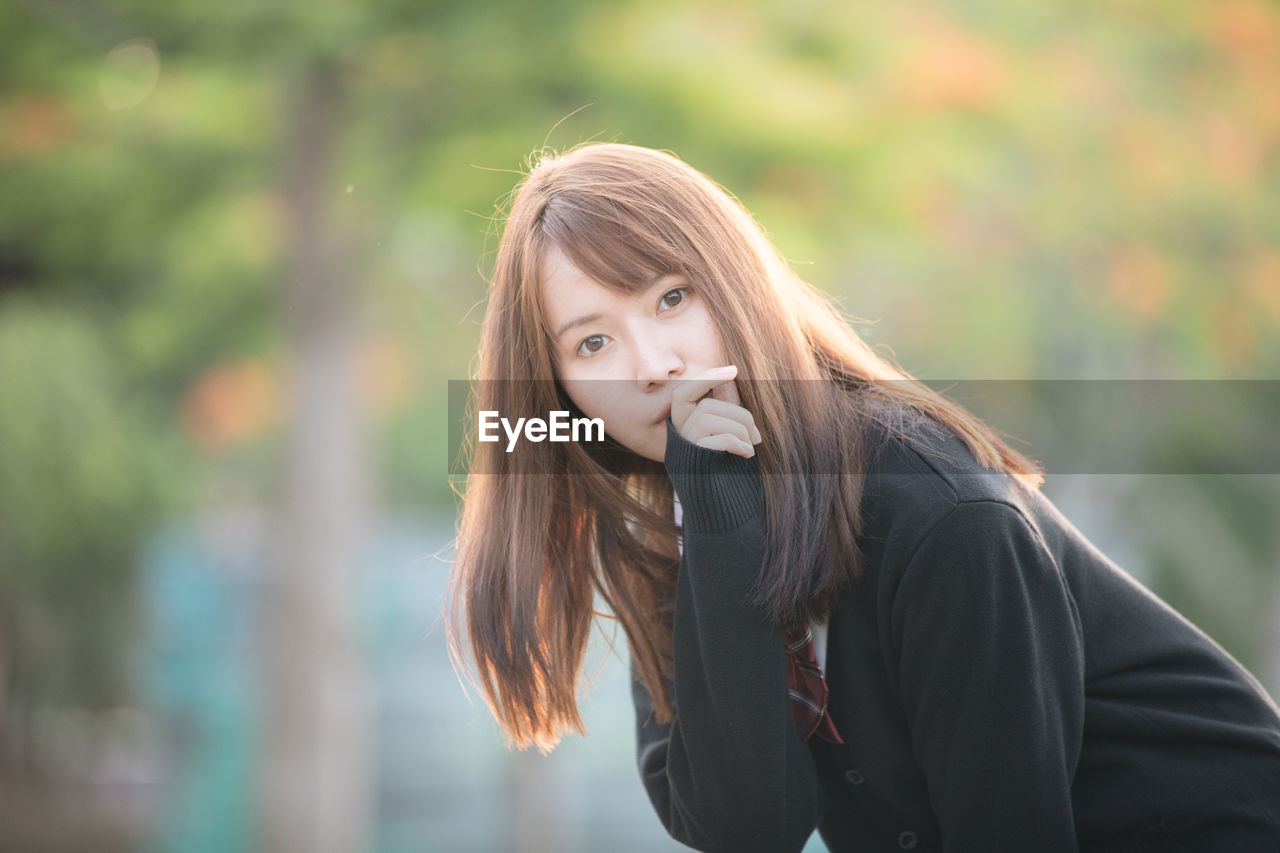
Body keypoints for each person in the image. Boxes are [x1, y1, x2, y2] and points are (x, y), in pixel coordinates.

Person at [445, 142, 1280, 852]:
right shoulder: (682, 519)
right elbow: (749, 827)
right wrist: (720, 528)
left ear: (735, 284)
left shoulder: (937, 511)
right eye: (593, 342)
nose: (653, 361)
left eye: (672, 297)